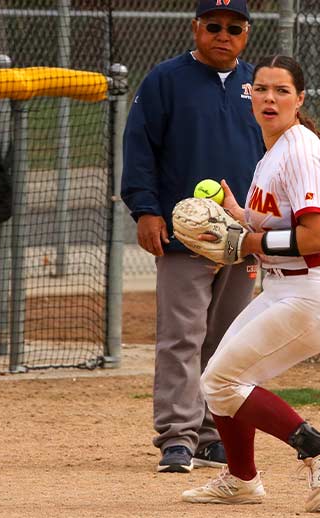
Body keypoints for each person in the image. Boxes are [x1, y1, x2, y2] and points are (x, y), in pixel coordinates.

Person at [180, 54, 320, 512]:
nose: (269, 97)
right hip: (285, 289)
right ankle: (242, 480)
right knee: (218, 380)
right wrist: (238, 218)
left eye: (282, 90)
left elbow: (316, 236)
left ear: (299, 99)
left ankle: (319, 447)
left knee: (223, 380)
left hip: (313, 294)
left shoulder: (300, 150)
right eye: (261, 89)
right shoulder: (274, 153)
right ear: (249, 96)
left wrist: (247, 242)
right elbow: (271, 225)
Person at [120, 0, 264, 473]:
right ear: (196, 28)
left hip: (242, 237)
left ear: (246, 34)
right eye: (214, 26)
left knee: (227, 339)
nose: (224, 35)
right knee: (182, 336)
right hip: (185, 233)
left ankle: (211, 433)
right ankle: (177, 438)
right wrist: (145, 210)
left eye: (234, 28)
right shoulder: (166, 78)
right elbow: (140, 146)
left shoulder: (257, 86)